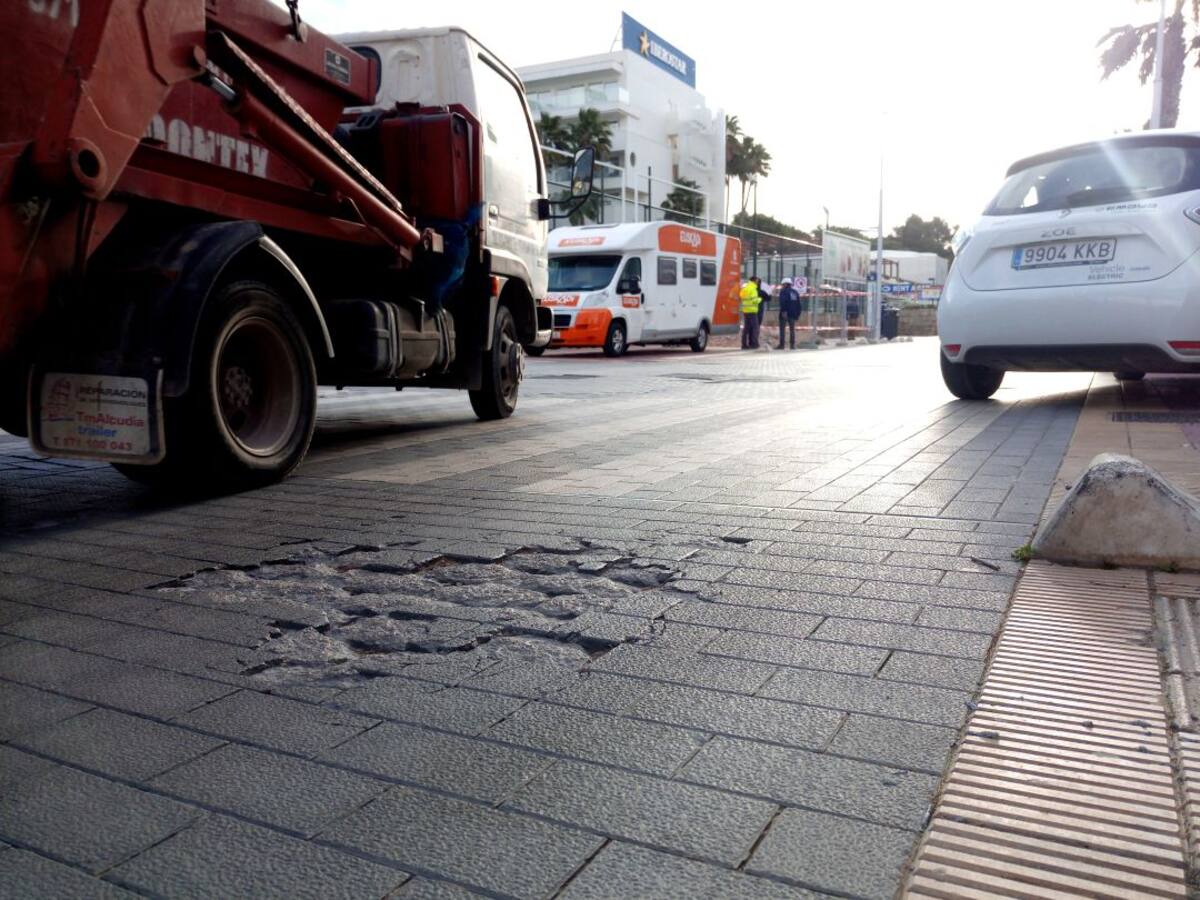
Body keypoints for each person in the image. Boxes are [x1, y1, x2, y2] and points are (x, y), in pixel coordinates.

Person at [777, 277, 801, 349]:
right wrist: (797, 314)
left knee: (782, 329)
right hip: (793, 314)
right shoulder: (795, 292)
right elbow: (798, 304)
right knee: (792, 329)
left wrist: (784, 311)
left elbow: (782, 302)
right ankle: (792, 345)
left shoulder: (783, 291)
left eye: (783, 284)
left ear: (785, 284)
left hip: (785, 313)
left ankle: (782, 345)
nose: (782, 286)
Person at [739, 278, 761, 349]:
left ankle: (744, 344)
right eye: (757, 281)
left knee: (746, 328)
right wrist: (759, 299)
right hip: (752, 311)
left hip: (745, 310)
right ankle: (754, 344)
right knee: (755, 328)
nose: (758, 283)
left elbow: (741, 297)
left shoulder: (745, 288)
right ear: (754, 281)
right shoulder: (753, 289)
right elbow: (754, 301)